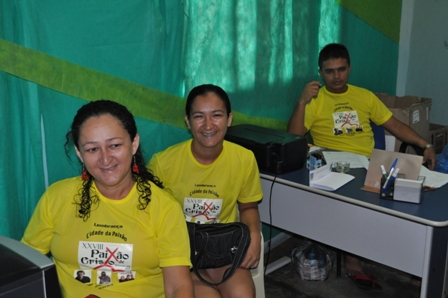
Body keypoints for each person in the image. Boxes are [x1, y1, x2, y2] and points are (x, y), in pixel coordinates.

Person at [287, 43, 436, 290]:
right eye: (329, 71)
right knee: (356, 207)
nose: (337, 76)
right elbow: (293, 136)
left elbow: (395, 125)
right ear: (320, 73)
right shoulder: (315, 100)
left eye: (341, 69)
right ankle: (352, 258)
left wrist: (426, 144)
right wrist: (301, 103)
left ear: (350, 68)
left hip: (370, 165)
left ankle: (415, 262)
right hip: (334, 168)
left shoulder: (364, 96)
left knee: (408, 206)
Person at [21, 100, 194, 298]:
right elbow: (27, 267)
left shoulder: (164, 207)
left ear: (134, 144)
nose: (105, 159)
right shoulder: (57, 197)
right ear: (79, 153)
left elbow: (178, 288)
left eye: (114, 145)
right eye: (92, 149)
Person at [148, 84, 263, 298]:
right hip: (182, 255)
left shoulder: (244, 158)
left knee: (243, 295)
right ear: (188, 121)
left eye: (216, 115)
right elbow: (149, 220)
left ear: (229, 119)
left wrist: (254, 235)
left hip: (223, 249)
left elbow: (248, 206)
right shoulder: (163, 164)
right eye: (199, 116)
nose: (208, 125)